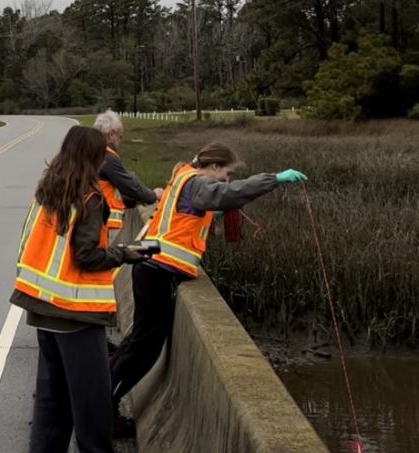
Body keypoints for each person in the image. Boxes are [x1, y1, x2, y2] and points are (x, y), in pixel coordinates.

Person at [109, 142, 308, 417]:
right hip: (159, 270)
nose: (226, 180)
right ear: (213, 166)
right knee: (145, 349)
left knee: (138, 341)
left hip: (152, 268)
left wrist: (216, 213)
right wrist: (273, 179)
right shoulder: (198, 183)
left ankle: (99, 394)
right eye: (225, 173)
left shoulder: (183, 176)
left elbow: (190, 214)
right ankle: (105, 403)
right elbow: (225, 194)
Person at [10, 126, 145, 453]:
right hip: (75, 311)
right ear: (94, 157)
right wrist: (125, 253)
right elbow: (87, 256)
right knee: (91, 396)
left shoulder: (49, 190)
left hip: (42, 306)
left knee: (52, 390)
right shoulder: (89, 198)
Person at [93, 110, 163, 237]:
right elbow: (130, 186)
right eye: (120, 137)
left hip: (94, 215)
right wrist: (153, 195)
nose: (121, 141)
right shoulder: (107, 157)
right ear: (111, 134)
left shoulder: (94, 152)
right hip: (102, 219)